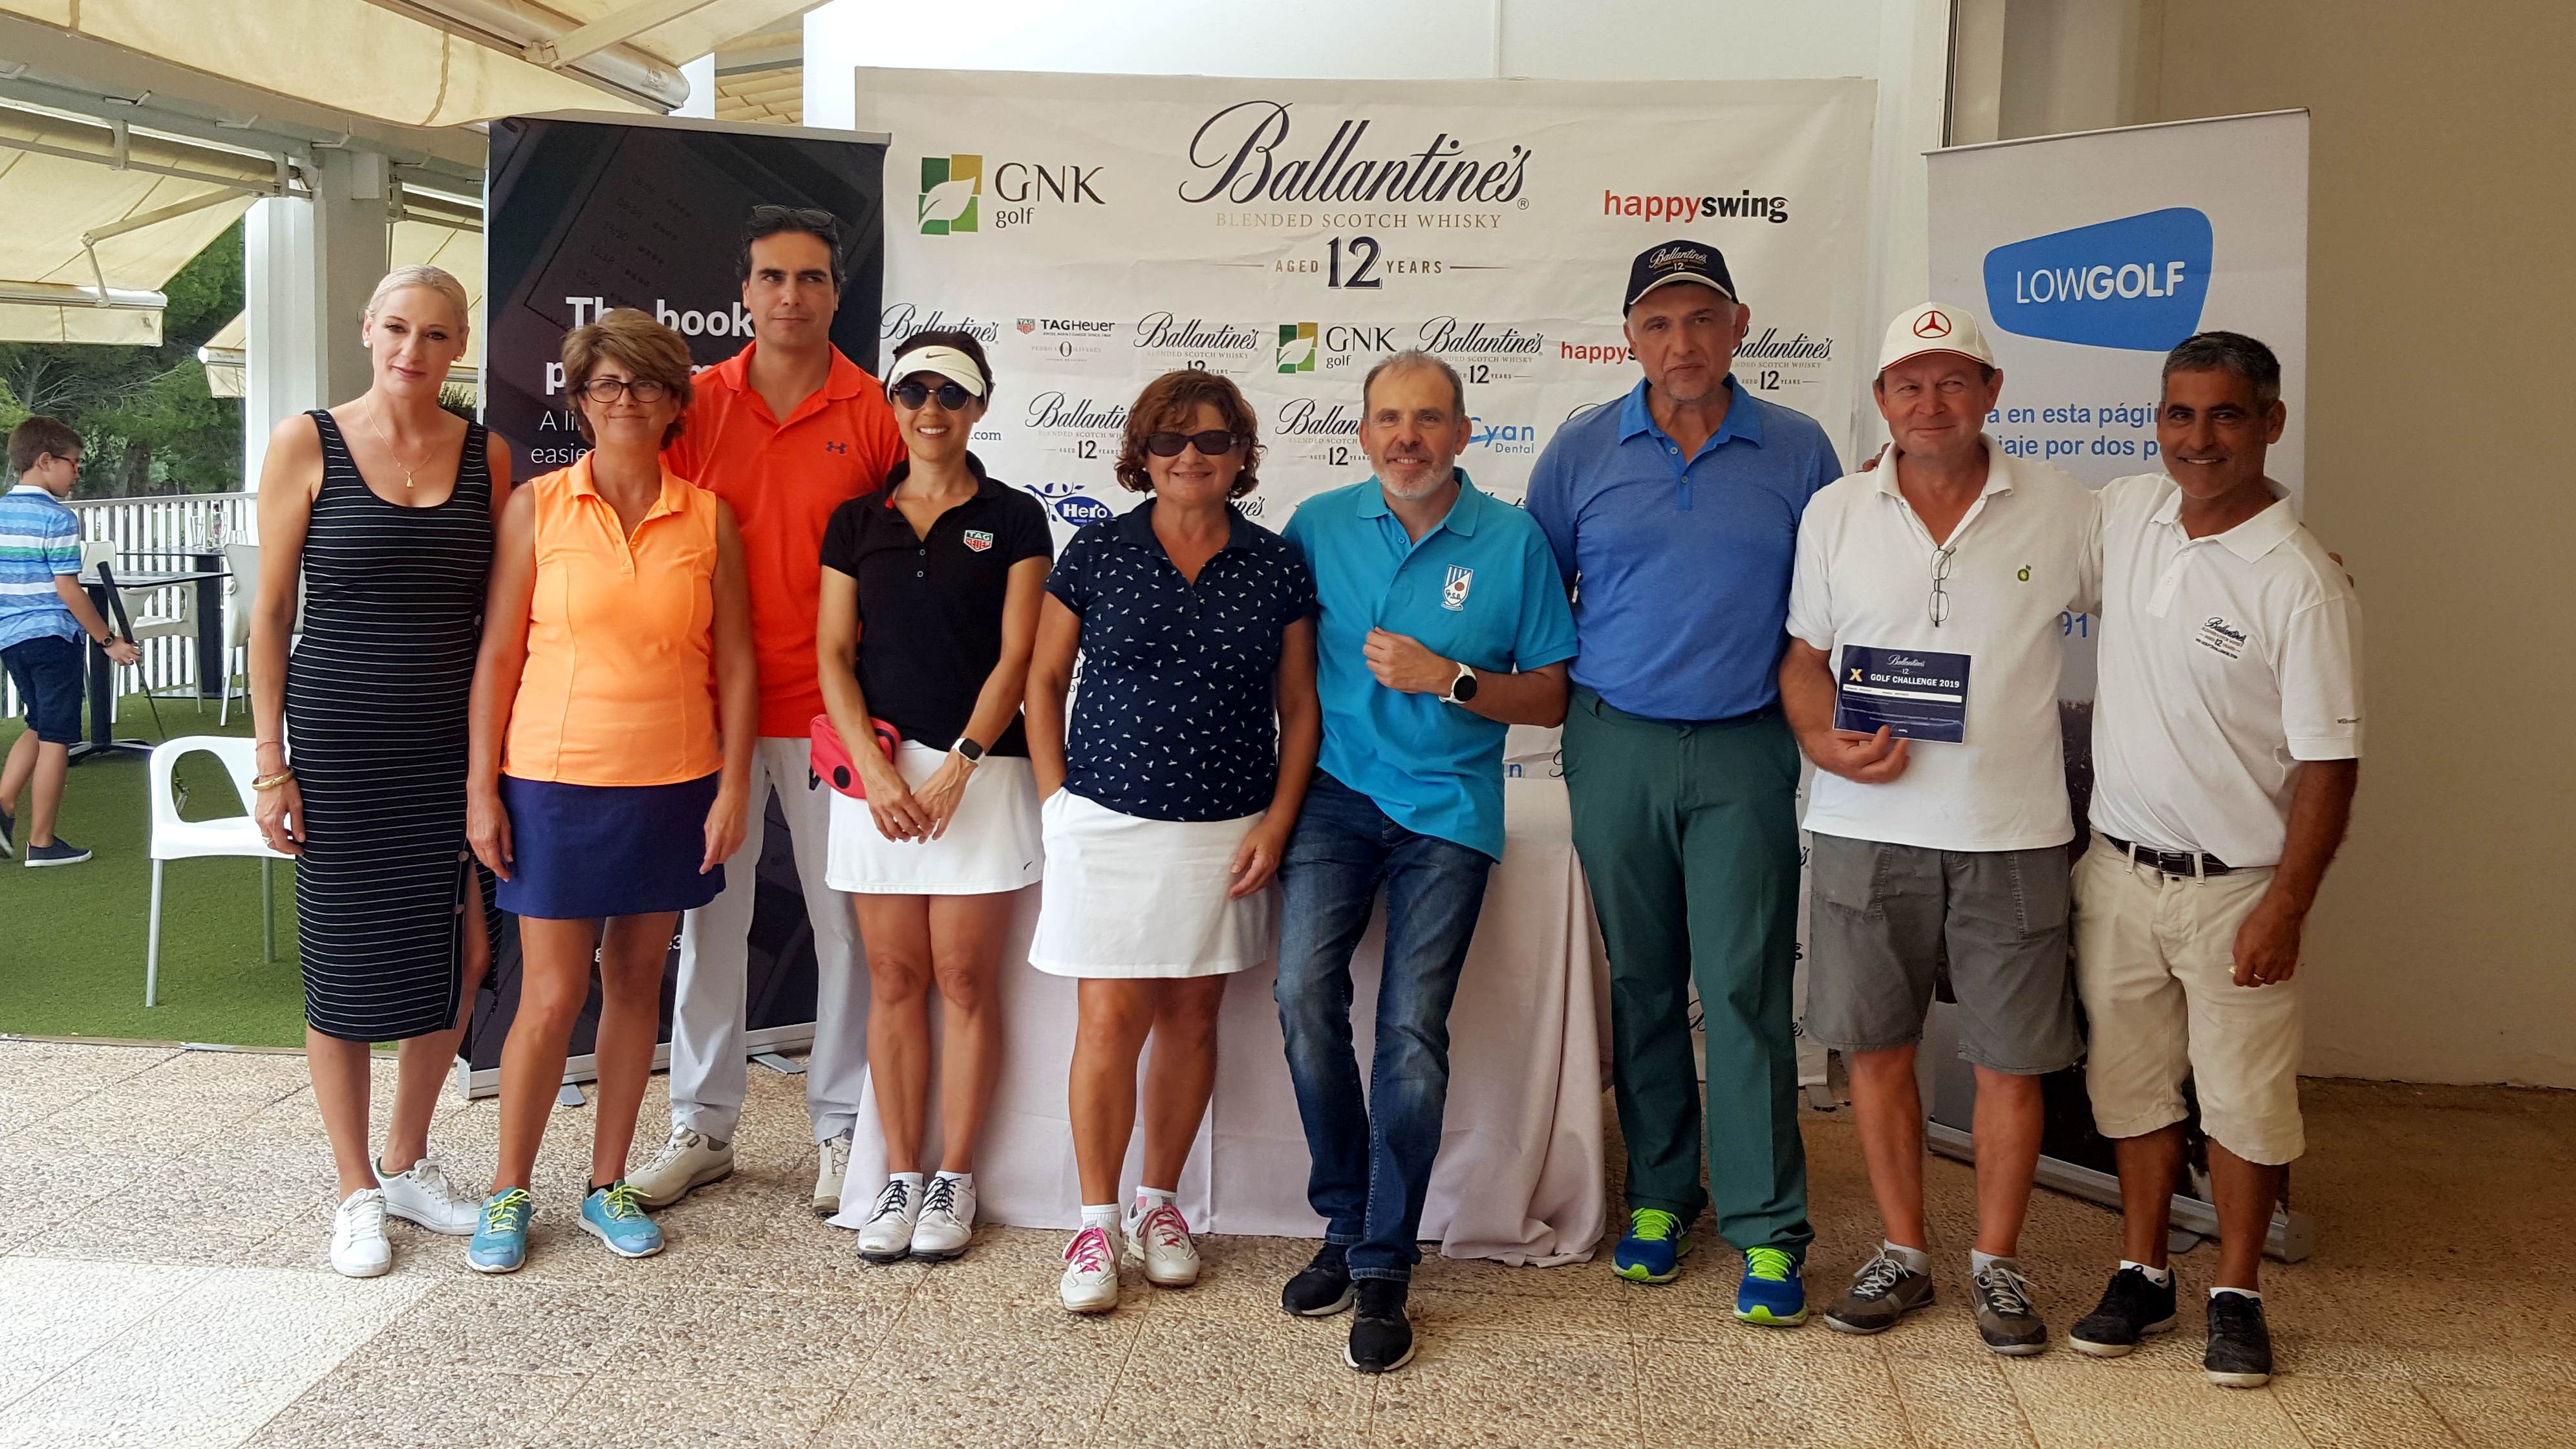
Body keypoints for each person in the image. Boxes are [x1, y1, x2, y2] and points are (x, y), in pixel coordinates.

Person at [1524, 241, 1841, 1323]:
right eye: (1658, 323)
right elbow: (1537, 596)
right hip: (1613, 742)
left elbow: (1832, 604)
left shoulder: (1798, 449)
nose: (1682, 342)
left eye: (1701, 319)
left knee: (1745, 988)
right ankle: (1661, 1195)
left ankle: (1767, 1227)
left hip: (1746, 744)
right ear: (1629, 337)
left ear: (1739, 326)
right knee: (1644, 982)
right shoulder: (1579, 451)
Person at [1779, 305, 2098, 1355]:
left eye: (1953, 380)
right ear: (1881, 400)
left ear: (1991, 391)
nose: (1930, 402)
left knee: (2011, 1061)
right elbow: (1802, 657)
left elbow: (2162, 582)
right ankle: (1904, 1252)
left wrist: (2268, 564)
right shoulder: (1834, 511)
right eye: (1909, 384)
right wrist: (1820, 739)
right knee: (1876, 1047)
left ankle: (1997, 1264)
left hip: (2013, 831)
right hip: (1864, 826)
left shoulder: (2064, 507)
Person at [1271, 351, 1576, 1373]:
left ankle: (1384, 1261)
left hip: (1449, 807)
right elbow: (1273, 662)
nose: (1408, 437)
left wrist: (1453, 679)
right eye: (1390, 419)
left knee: (1409, 1030)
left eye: (1429, 418)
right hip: (1334, 795)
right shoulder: (1317, 526)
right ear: (1364, 434)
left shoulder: (1512, 539)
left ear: (1463, 432)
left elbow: (1550, 695)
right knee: (1302, 994)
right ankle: (1345, 1216)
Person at [2065, 332, 2359, 1389]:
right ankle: (2142, 1271)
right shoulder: (2128, 511)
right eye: (2178, 414)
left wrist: (2287, 906)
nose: (2198, 439)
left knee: (2241, 1102)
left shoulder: (2300, 580)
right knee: (2131, 1088)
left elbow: (2329, 765)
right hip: (2116, 873)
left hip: (2236, 890)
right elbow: (2005, 524)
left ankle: (2236, 1292)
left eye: (2225, 414)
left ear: (2269, 422)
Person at [462, 308, 757, 1272]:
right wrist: (481, 788)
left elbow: (737, 663)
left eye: (646, 384)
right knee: (550, 997)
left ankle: (607, 1183)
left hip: (672, 782)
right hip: (552, 783)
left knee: (635, 986)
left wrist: (732, 787)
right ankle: (509, 1192)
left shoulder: (709, 516)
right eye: (607, 384)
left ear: (675, 403)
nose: (626, 399)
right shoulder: (537, 507)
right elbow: (499, 654)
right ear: (582, 401)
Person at [630, 206, 906, 1219]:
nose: (792, 295)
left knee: (846, 925)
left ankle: (842, 1126)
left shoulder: (875, 411)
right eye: (773, 277)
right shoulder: (695, 404)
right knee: (711, 919)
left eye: (812, 277)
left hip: (839, 710)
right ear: (744, 292)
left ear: (836, 292)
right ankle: (702, 1126)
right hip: (712, 709)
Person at [1026, 369, 1320, 1315]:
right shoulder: (1096, 551)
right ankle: (1094, 1222)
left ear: (1241, 454)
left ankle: (1160, 1207)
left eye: (1211, 440)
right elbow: (1043, 681)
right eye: (1169, 439)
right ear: (1142, 454)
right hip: (1105, 821)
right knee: (1109, 1021)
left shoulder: (1275, 564)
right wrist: (1056, 803)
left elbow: (1299, 705)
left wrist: (1278, 821)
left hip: (1226, 829)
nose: (1190, 455)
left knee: (1192, 1020)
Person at [248, 264, 506, 1278]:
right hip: (340, 743)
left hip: (449, 745)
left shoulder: (488, 454)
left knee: (463, 953)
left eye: (436, 334)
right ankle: (355, 1187)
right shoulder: (305, 441)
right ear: (367, 329)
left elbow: (498, 618)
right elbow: (272, 614)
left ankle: (406, 1158)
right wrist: (271, 765)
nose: (414, 349)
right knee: (343, 962)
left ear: (459, 346)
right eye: (398, 328)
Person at [816, 329, 1053, 1263]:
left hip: (980, 780)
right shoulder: (855, 522)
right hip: (875, 778)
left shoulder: (1016, 517)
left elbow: (1019, 657)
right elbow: (833, 655)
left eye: (951, 394)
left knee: (962, 979)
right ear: (893, 404)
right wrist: (878, 775)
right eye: (914, 391)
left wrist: (960, 764)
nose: (931, 409)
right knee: (893, 980)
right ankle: (899, 1177)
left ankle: (955, 1177)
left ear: (979, 407)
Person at [1, 416, 139, 866]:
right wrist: (107, 640)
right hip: (53, 638)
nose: (77, 473)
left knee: (39, 723)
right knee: (57, 737)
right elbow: (69, 590)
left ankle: (2, 807)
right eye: (73, 463)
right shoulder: (58, 518)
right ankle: (42, 842)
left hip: (11, 638)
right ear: (45, 460)